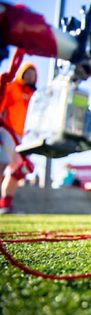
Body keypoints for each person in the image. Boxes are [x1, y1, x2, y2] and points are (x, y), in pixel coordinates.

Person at [0, 62, 37, 213]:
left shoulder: (35, 95)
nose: (30, 75)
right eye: (28, 71)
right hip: (9, 132)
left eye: (33, 73)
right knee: (2, 166)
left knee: (18, 171)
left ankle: (6, 203)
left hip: (26, 137)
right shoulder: (12, 87)